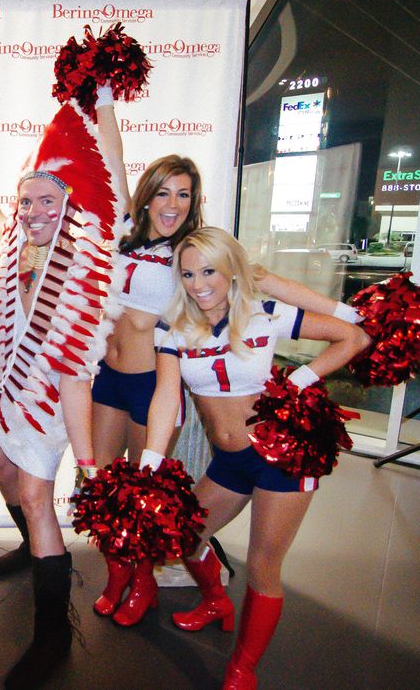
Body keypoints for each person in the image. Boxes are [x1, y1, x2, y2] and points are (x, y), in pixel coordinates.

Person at [91, 155, 367, 627]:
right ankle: (146, 583)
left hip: (219, 419)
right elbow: (113, 162)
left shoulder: (208, 261)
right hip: (118, 383)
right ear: (146, 197)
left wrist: (346, 314)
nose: (198, 283)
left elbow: (269, 284)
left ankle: (150, 588)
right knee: (112, 493)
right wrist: (104, 97)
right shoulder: (126, 242)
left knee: (261, 563)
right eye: (162, 192)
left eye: (183, 194)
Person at [0, 90, 126, 688]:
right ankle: (30, 545)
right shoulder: (13, 244)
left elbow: (75, 378)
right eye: (27, 199)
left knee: (39, 496)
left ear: (68, 204)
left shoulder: (85, 266)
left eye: (48, 199)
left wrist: (90, 465)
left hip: (48, 402)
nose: (34, 209)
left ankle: (52, 638)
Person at [141, 227, 369, 688]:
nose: (198, 283)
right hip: (229, 461)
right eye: (188, 273)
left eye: (209, 271)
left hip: (283, 456)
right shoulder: (173, 327)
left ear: (230, 271)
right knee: (185, 537)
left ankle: (242, 666)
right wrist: (150, 462)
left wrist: (297, 381)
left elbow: (352, 338)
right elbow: (167, 395)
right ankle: (215, 603)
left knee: (264, 566)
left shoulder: (265, 312)